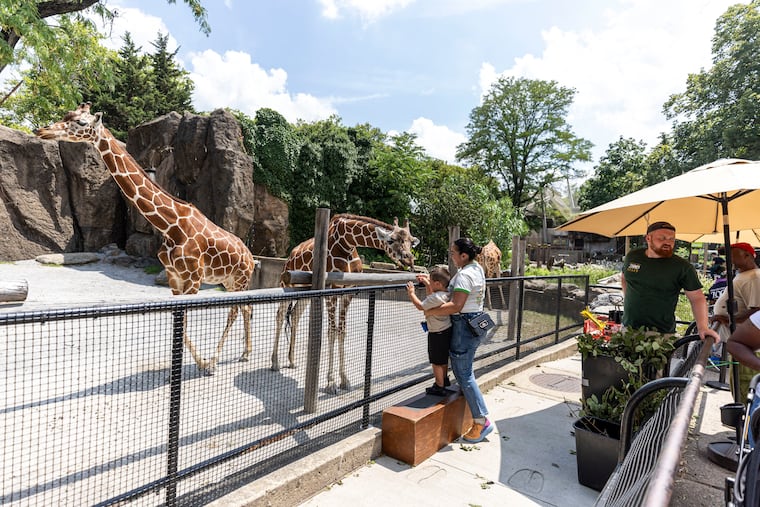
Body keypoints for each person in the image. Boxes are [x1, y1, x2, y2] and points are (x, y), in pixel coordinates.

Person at [424, 238, 493, 443]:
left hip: (464, 325)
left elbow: (456, 305)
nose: (452, 257)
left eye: (454, 253)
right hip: (475, 321)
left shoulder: (464, 276)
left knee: (464, 374)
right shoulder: (477, 268)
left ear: (464, 255)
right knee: (465, 371)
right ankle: (471, 410)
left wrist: (429, 310)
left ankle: (481, 422)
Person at [621, 221, 720, 343]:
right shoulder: (633, 256)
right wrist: (628, 299)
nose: (667, 242)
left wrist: (703, 327)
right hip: (628, 329)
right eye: (662, 238)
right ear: (648, 238)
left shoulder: (682, 267)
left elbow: (697, 298)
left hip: (662, 334)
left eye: (671, 239)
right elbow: (625, 278)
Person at [713, 243, 760, 397]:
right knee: (739, 390)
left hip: (750, 349)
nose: (729, 257)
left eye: (733, 253)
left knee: (746, 392)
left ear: (747, 255)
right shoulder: (744, 275)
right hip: (743, 346)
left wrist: (729, 319)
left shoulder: (754, 277)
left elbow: (757, 309)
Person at [405, 266, 453, 396]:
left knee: (436, 361)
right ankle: (444, 380)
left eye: (431, 281)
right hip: (446, 330)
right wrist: (427, 284)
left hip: (436, 333)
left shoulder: (436, 298)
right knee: (443, 359)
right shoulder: (446, 294)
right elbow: (431, 297)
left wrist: (411, 293)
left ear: (437, 284)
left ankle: (439, 386)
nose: (429, 283)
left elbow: (421, 306)